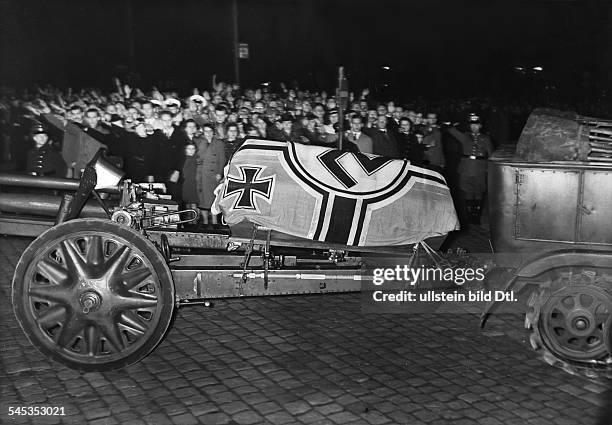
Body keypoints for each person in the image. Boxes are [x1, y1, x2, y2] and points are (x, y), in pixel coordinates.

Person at [447, 113, 494, 224]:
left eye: (476, 125)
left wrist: (489, 168)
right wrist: (462, 122)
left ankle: (476, 215)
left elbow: (491, 154)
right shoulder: (464, 136)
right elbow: (450, 130)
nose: (474, 127)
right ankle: (469, 215)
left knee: (478, 191)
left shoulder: (486, 138)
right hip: (466, 167)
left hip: (480, 167)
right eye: (472, 125)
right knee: (467, 190)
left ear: (480, 126)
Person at [196, 123, 226, 228]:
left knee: (214, 197)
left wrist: (219, 173)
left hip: (213, 175)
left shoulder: (219, 143)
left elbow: (222, 160)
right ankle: (204, 221)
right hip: (201, 174)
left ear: (213, 132)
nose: (208, 133)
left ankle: (214, 221)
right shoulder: (199, 142)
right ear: (203, 132)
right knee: (202, 198)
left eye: (210, 131)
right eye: (206, 131)